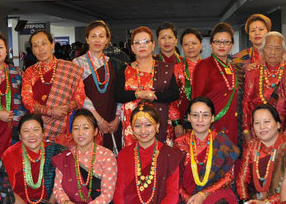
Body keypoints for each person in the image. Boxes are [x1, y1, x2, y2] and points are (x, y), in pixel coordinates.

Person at [173, 97, 240, 204]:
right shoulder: (180, 144)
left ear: (213, 118)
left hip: (217, 192)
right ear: (188, 118)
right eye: (195, 115)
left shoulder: (222, 142)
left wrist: (203, 195)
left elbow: (228, 178)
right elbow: (174, 180)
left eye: (205, 115)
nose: (200, 120)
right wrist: (188, 198)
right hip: (186, 195)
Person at [0, 114, 66, 204]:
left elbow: (59, 184)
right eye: (26, 130)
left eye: (36, 130)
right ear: (19, 134)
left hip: (48, 203)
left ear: (43, 133)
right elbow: (7, 190)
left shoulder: (53, 151)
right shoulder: (11, 154)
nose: (32, 135)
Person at [114, 26, 179, 146]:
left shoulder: (165, 68)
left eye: (146, 42)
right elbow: (117, 95)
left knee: (159, 160)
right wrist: (137, 94)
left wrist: (152, 95)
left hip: (159, 121)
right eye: (137, 43)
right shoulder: (125, 70)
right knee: (134, 160)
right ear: (132, 48)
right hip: (132, 125)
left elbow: (174, 93)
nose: (142, 46)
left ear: (153, 45)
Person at [21, 30, 85, 142]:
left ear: (52, 45)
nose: (40, 49)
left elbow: (79, 97)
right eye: (36, 46)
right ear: (32, 50)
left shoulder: (70, 69)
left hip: (64, 127)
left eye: (44, 43)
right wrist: (49, 111)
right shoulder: (29, 72)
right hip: (36, 129)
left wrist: (66, 108)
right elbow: (27, 100)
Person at [73, 20, 125, 152]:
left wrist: (118, 117)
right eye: (93, 36)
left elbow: (120, 92)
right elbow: (80, 95)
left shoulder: (115, 64)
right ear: (87, 39)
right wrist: (98, 120)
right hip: (88, 118)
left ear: (107, 40)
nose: (97, 40)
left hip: (112, 119)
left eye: (101, 36)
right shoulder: (77, 63)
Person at [192, 22, 245, 147]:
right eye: (217, 42)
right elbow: (197, 98)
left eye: (226, 42)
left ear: (232, 45)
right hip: (211, 124)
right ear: (211, 44)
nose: (222, 45)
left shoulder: (234, 68)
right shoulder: (204, 65)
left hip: (233, 124)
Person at [243, 32, 286, 140]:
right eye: (268, 48)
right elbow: (246, 104)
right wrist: (246, 131)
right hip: (257, 131)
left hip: (284, 131)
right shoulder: (253, 71)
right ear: (262, 50)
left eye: (277, 48)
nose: (272, 52)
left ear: (284, 52)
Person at [173, 28, 203, 135]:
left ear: (200, 44)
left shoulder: (209, 67)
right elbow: (173, 100)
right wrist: (176, 123)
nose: (190, 47)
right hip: (183, 120)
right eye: (186, 44)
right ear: (182, 47)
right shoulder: (176, 69)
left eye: (194, 43)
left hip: (207, 120)